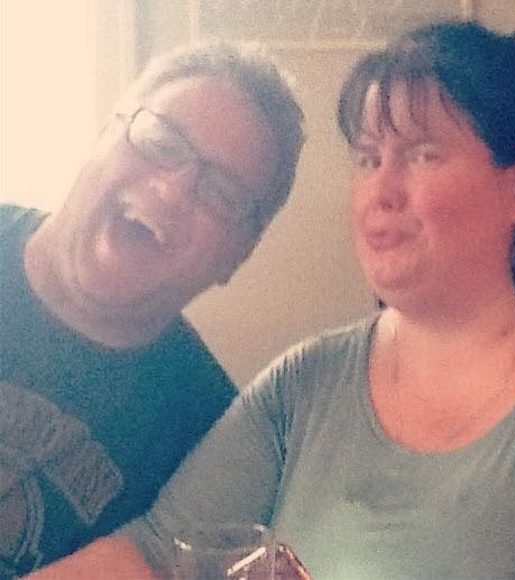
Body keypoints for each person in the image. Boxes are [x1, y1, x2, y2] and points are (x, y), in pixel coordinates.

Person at [29, 20, 515, 579]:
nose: (381, 191)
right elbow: (155, 553)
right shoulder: (304, 384)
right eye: (369, 159)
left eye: (421, 155)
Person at [0, 43, 304, 577]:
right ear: (104, 132)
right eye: (161, 143)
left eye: (221, 192)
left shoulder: (213, 441)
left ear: (237, 256)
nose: (172, 189)